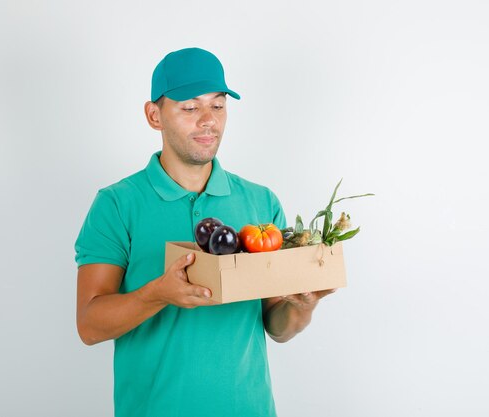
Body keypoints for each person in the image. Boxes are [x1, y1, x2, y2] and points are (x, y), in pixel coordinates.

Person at [75, 47, 335, 417]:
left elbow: (276, 326)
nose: (208, 120)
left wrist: (301, 307)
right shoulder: (117, 204)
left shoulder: (261, 204)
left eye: (218, 105)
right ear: (154, 116)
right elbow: (89, 325)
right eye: (190, 107)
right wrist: (158, 294)